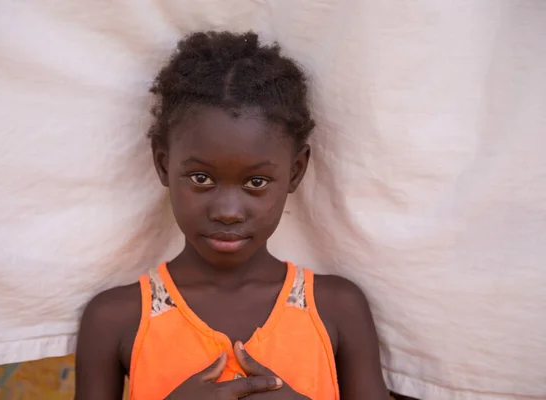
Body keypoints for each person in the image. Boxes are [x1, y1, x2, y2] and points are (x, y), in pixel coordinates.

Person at [75, 31, 388, 400]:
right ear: (162, 164)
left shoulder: (336, 307)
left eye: (256, 182)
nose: (227, 211)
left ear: (296, 172)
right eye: (201, 178)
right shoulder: (117, 317)